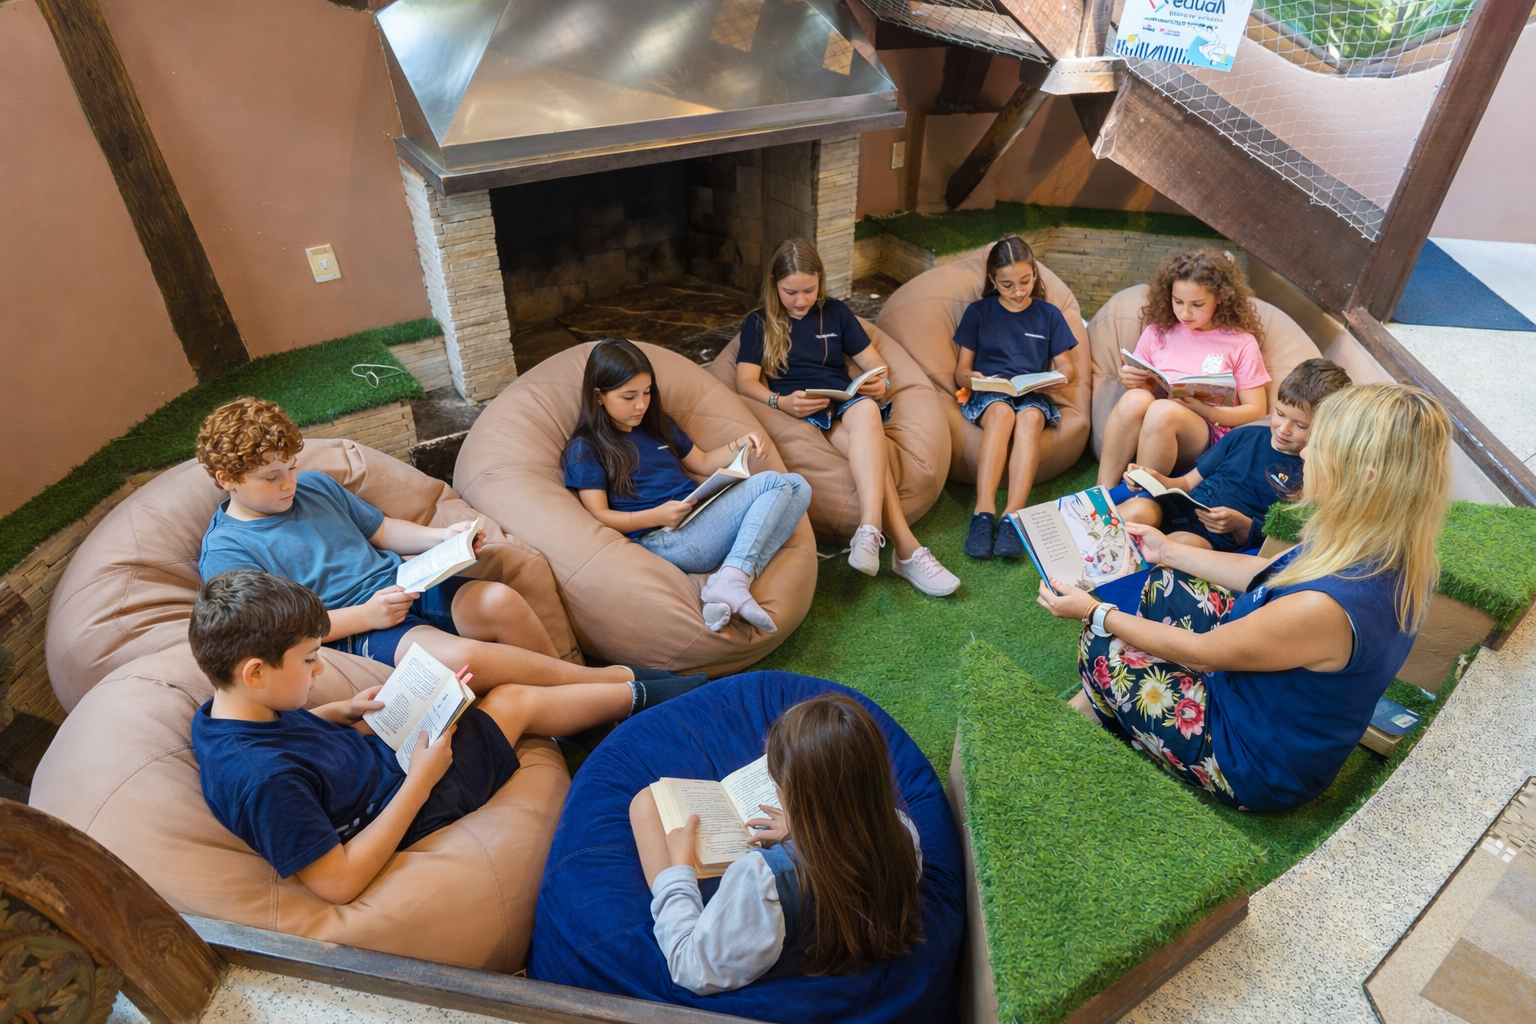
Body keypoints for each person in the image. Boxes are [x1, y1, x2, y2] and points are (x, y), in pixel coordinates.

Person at [1039, 383, 1449, 812]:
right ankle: (1109, 702)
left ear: (1364, 479)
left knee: (1101, 641)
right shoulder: (1378, 542)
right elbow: (1270, 573)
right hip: (1263, 698)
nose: (1305, 454)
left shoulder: (1326, 607)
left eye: (1321, 444)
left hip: (1252, 763)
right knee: (1168, 581)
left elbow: (1202, 655)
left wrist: (1093, 611)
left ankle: (1115, 721)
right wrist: (1169, 550)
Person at [190, 570, 698, 904]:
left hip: (383, 759)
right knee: (514, 701)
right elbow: (338, 883)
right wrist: (423, 778)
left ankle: (636, 686)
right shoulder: (266, 785)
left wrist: (338, 711)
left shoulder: (224, 711)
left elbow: (287, 741)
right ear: (255, 672)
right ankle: (662, 693)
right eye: (308, 660)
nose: (321, 669)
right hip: (407, 798)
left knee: (464, 677)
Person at [196, 396, 704, 697]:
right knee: (465, 657)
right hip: (356, 627)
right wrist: (368, 616)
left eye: (291, 468)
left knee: (502, 600)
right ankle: (619, 688)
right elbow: (275, 634)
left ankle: (576, 702)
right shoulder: (227, 554)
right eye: (270, 478)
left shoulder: (316, 487)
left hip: (409, 585)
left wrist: (442, 539)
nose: (288, 484)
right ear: (227, 480)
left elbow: (384, 531)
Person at [628, 693, 923, 994]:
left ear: (794, 796)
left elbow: (691, 967)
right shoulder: (903, 832)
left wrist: (679, 869)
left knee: (645, 807)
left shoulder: (763, 879)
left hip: (780, 968)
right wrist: (802, 829)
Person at [736, 238, 959, 597]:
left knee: (868, 408)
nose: (800, 300)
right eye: (790, 292)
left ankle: (870, 531)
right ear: (773, 285)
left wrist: (880, 381)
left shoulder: (837, 313)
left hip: (846, 402)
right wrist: (780, 402)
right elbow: (745, 382)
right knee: (875, 454)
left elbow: (874, 362)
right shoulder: (759, 323)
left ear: (820, 281)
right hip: (804, 411)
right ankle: (906, 549)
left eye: (809, 290)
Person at [563, 339, 811, 634]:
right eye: (628, 397)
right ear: (599, 396)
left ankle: (727, 583)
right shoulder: (586, 447)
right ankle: (731, 580)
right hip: (666, 538)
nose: (641, 404)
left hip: (697, 518)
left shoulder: (655, 423)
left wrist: (739, 444)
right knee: (772, 481)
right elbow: (599, 515)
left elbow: (703, 462)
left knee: (798, 485)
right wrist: (655, 516)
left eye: (646, 392)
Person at [1119, 358, 1351, 551]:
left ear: (1324, 429)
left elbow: (1288, 535)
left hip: (1215, 534)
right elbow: (1185, 482)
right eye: (1280, 413)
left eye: (1300, 426)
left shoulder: (1312, 472)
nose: (1283, 428)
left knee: (1178, 546)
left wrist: (1244, 526)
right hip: (1181, 506)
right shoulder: (1244, 436)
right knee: (1137, 511)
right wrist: (1152, 478)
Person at [1097, 248, 1272, 489]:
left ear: (1220, 297)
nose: (1185, 312)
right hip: (1151, 425)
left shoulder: (1240, 343)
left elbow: (1257, 409)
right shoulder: (1157, 331)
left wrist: (1207, 411)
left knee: (1163, 410)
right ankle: (1101, 490)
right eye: (1177, 301)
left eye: (1197, 304)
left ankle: (1143, 493)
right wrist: (1130, 377)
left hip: (1205, 432)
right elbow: (1142, 385)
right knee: (1134, 398)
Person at [953, 235, 1079, 560]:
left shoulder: (1049, 314)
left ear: (1035, 274)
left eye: (1025, 281)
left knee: (1031, 417)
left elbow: (1067, 366)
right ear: (993, 280)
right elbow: (961, 371)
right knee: (1002, 413)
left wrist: (1058, 379)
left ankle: (1013, 516)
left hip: (1032, 394)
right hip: (991, 395)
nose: (1019, 291)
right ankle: (983, 513)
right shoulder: (978, 312)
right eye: (1007, 285)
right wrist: (973, 379)